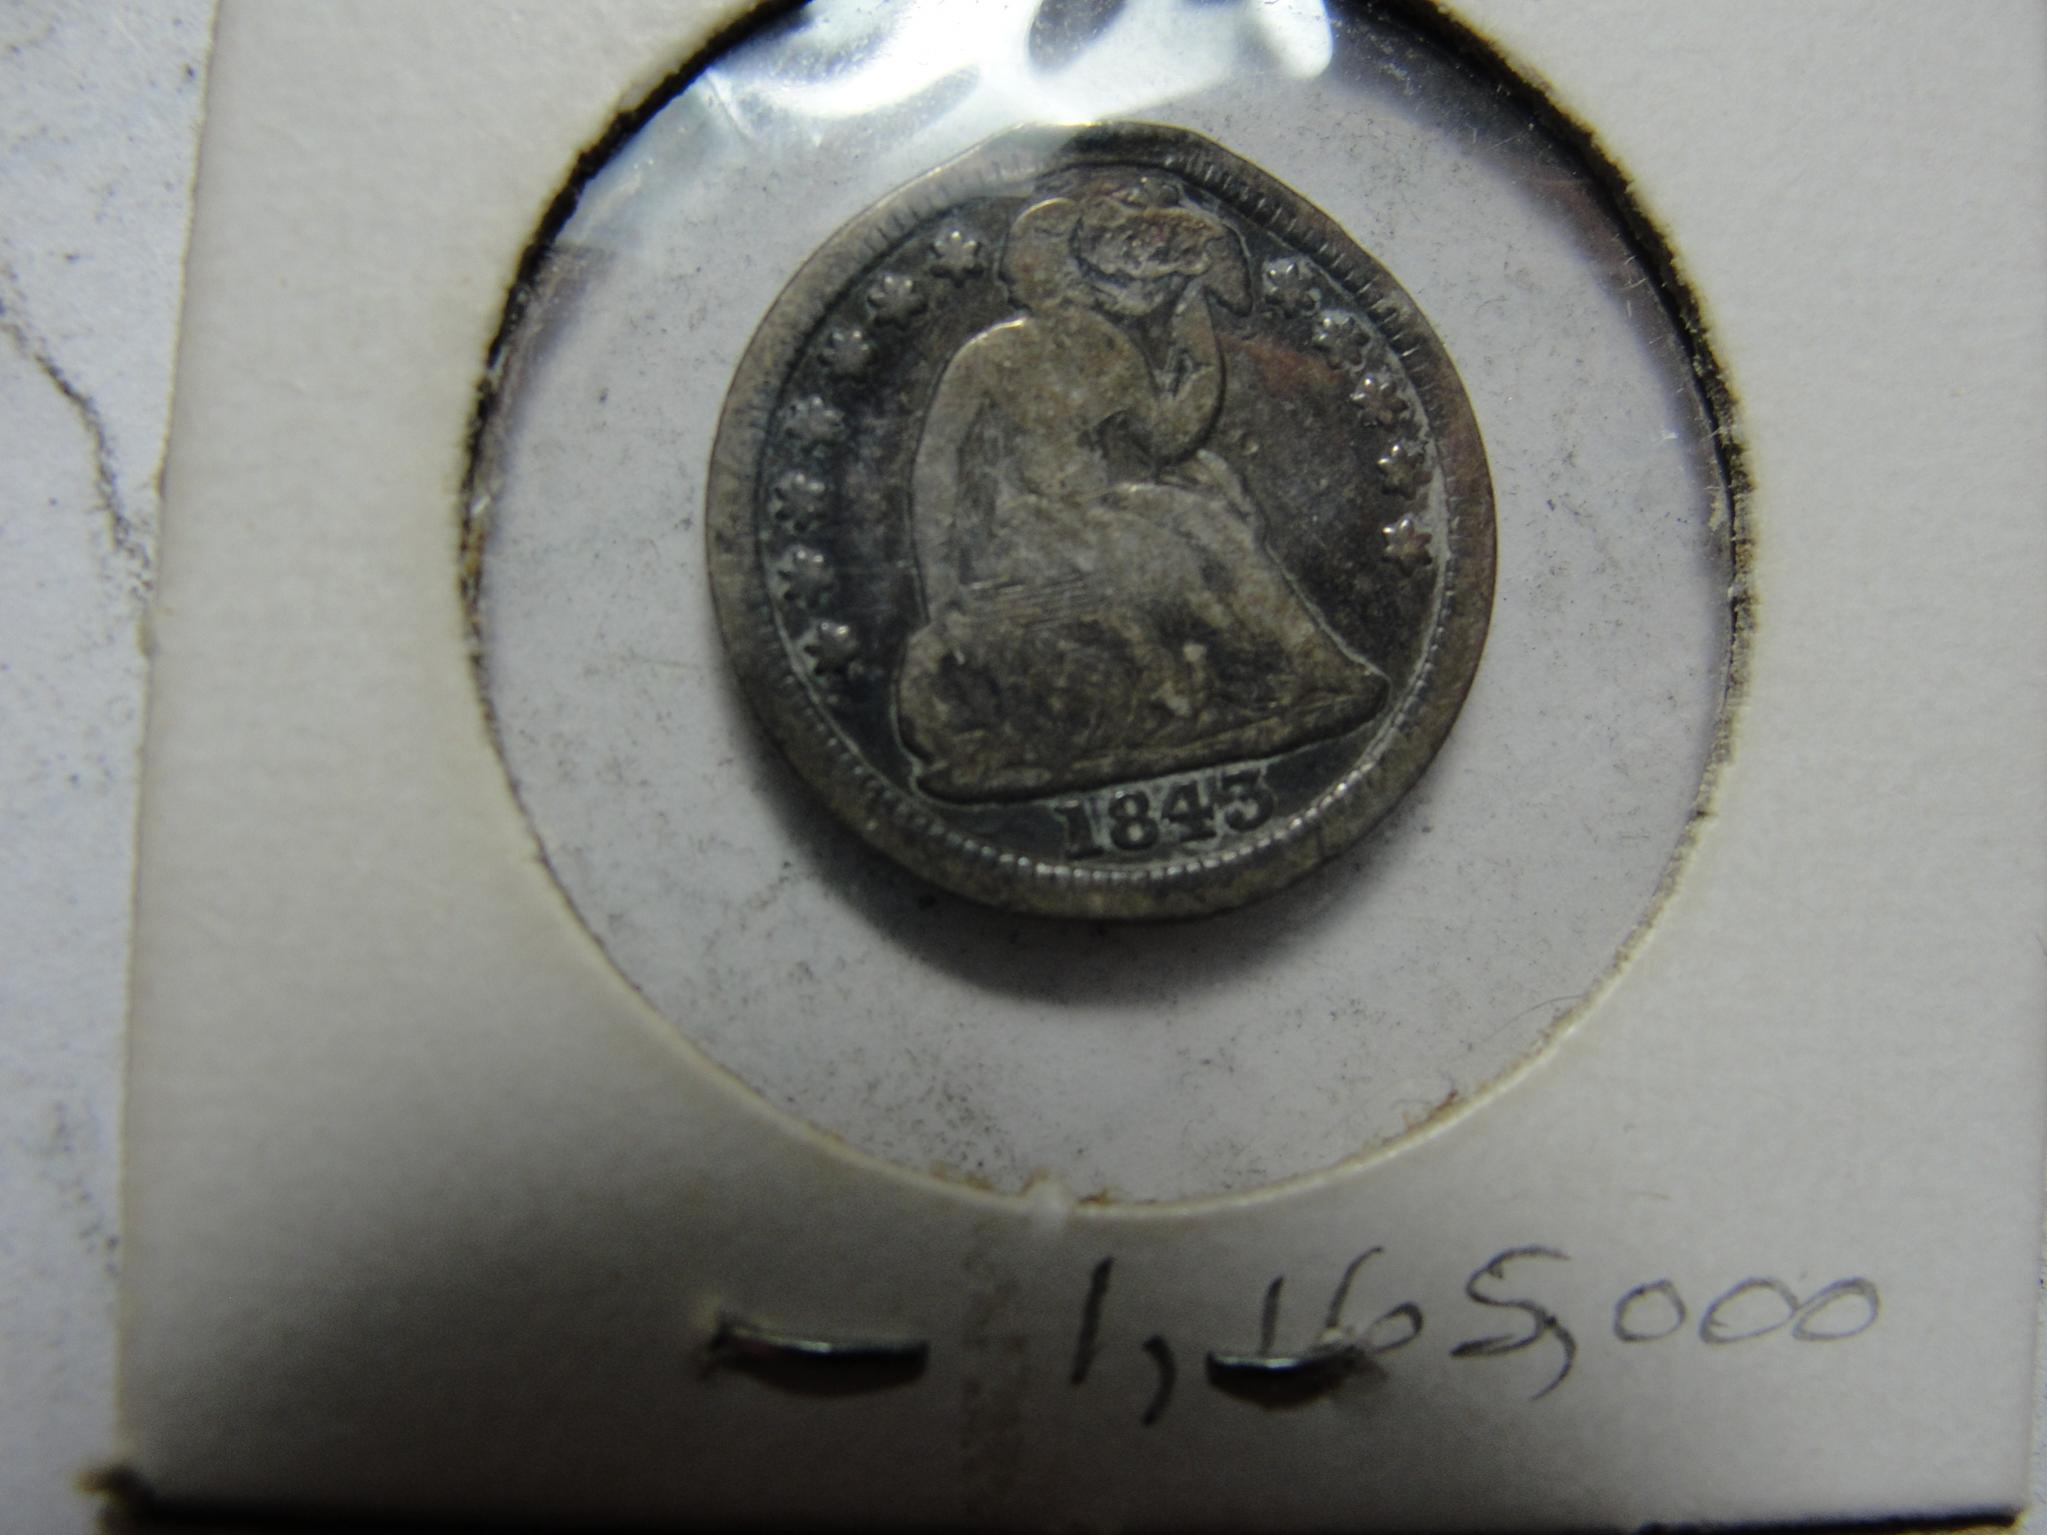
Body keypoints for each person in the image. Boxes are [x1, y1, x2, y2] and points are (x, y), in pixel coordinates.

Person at [897, 172, 1388, 802]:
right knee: (1168, 555)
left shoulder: (1106, 347)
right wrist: (940, 586)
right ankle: (1241, 679)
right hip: (1022, 529)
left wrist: (1203, 355)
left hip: (1096, 510)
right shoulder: (987, 356)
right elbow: (936, 466)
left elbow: (1166, 438)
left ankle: (1312, 669)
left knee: (1211, 522)